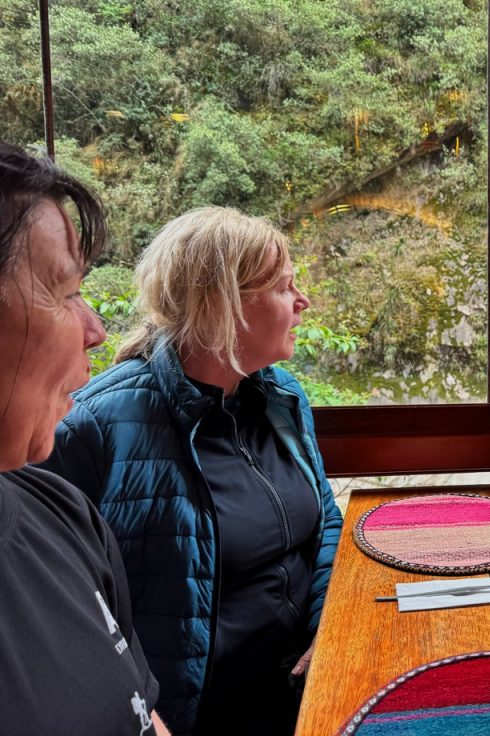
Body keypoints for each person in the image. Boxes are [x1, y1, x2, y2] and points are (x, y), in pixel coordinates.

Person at [41, 207, 343, 735]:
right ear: (221, 305)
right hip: (196, 715)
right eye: (284, 287)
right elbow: (61, 613)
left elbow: (324, 525)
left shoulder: (282, 396)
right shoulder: (93, 427)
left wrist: (330, 626)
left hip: (308, 692)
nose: (303, 302)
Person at [0, 143, 170, 734]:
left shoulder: (62, 514)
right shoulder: (105, 419)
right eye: (67, 292)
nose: (96, 330)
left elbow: (141, 709)